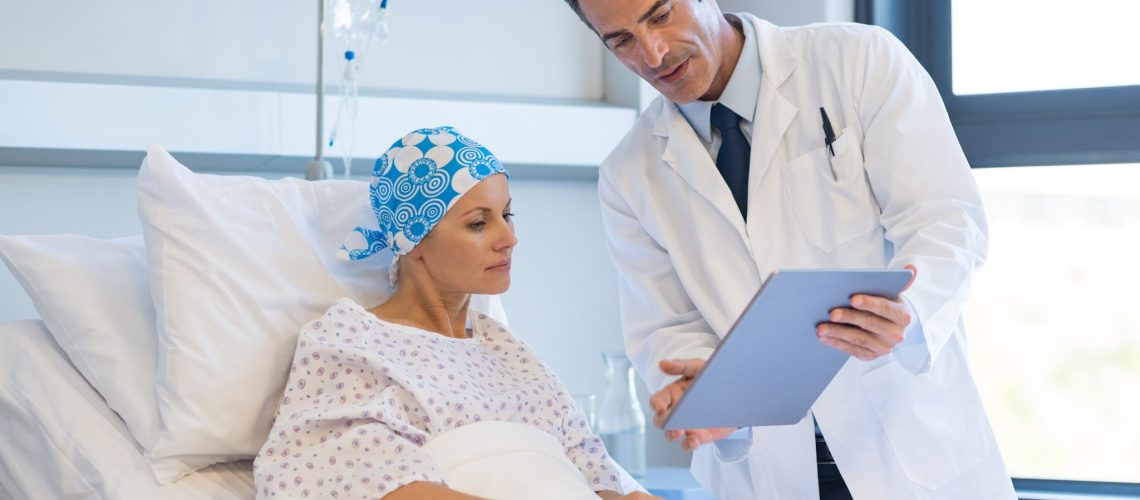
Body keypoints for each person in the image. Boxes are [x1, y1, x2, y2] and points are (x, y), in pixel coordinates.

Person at [561, 0, 1017, 498]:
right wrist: (710, 400)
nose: (653, 54)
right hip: (767, 473)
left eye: (661, 14)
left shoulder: (857, 60)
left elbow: (944, 217)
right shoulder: (629, 173)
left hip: (909, 450)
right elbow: (668, 331)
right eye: (621, 41)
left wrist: (910, 311)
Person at [254, 126, 656, 500]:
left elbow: (591, 467)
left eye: (507, 215)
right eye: (479, 223)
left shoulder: (505, 349)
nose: (509, 238)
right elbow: (358, 479)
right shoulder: (350, 344)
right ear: (413, 241)